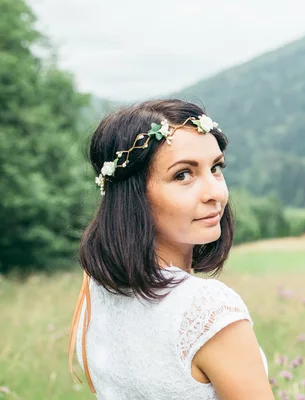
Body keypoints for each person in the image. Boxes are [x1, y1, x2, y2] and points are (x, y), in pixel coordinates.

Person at [68, 99, 274, 399]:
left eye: (216, 168)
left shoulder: (97, 287)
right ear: (132, 195)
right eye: (183, 175)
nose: (216, 193)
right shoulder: (207, 309)